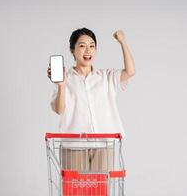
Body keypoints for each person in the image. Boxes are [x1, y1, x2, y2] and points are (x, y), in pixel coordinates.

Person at [47, 28, 135, 172]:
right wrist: (61, 86)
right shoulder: (64, 78)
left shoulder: (106, 77)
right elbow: (58, 109)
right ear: (72, 50)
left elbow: (130, 71)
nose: (88, 50)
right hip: (74, 146)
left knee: (100, 191)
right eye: (82, 46)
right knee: (75, 192)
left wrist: (122, 42)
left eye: (92, 46)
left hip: (103, 145)